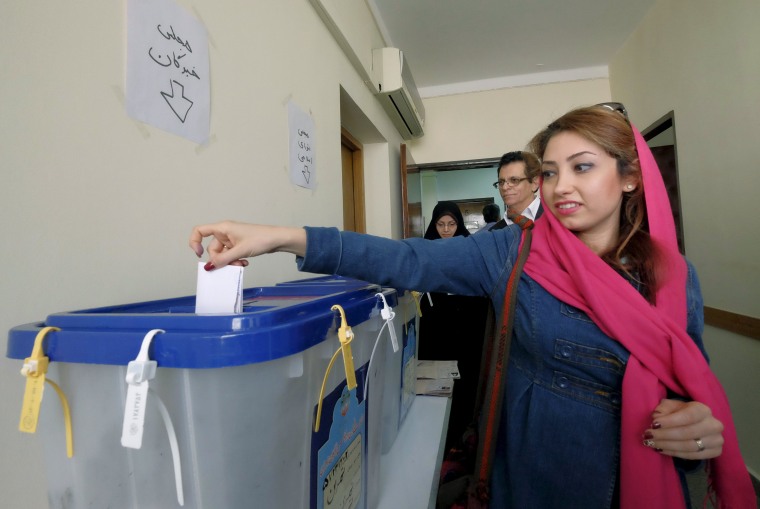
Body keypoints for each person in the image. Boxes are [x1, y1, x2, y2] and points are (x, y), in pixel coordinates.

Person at [189, 104, 756, 509]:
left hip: (647, 480)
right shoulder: (514, 251)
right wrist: (281, 236)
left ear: (630, 177)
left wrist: (699, 431)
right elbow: (406, 260)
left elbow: (690, 388)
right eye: (551, 172)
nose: (561, 187)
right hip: (537, 478)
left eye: (582, 167)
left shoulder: (673, 279)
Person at [419, 201, 490, 452]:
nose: (446, 230)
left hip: (466, 330)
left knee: (465, 383)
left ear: (458, 224)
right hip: (437, 330)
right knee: (436, 384)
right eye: (441, 224)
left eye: (451, 224)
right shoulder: (426, 250)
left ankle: (462, 436)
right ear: (434, 225)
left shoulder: (471, 250)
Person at [488, 150, 542, 231]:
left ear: (535, 183)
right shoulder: (494, 233)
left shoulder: (557, 217)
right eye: (501, 182)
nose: (505, 187)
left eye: (514, 180)